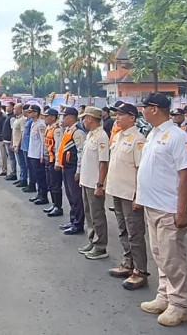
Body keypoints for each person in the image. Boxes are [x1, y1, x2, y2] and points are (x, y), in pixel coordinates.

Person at [136, 93, 187, 327]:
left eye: (144, 107)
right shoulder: (153, 133)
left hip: (169, 208)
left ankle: (179, 305)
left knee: (173, 258)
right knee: (160, 254)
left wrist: (182, 211)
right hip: (152, 204)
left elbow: (186, 174)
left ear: (154, 109)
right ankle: (165, 295)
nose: (142, 111)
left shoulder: (178, 136)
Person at [107, 102, 148, 290]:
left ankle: (140, 271)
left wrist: (138, 196)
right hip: (117, 190)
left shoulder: (138, 139)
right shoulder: (117, 137)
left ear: (132, 117)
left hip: (129, 193)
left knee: (135, 233)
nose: (117, 117)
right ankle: (127, 263)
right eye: (116, 114)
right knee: (123, 229)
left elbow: (141, 170)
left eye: (121, 114)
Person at [77, 106, 111, 260]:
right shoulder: (91, 135)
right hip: (86, 181)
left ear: (90, 118)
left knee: (97, 215)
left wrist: (100, 184)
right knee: (89, 214)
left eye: (84, 118)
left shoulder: (101, 137)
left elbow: (103, 163)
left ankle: (100, 246)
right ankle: (93, 240)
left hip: (94, 183)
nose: (83, 120)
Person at [57, 107, 87, 235]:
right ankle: (73, 219)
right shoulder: (69, 130)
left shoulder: (78, 132)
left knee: (76, 197)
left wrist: (79, 171)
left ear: (71, 117)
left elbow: (80, 152)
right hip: (66, 166)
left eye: (65, 116)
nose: (63, 119)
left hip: (73, 167)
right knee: (70, 195)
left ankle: (78, 224)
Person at [42, 108, 64, 217]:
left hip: (54, 160)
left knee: (55, 185)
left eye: (46, 116)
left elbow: (59, 147)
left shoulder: (57, 130)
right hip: (48, 160)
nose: (45, 118)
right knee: (50, 183)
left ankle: (58, 207)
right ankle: (54, 204)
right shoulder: (48, 128)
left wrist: (57, 163)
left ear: (52, 117)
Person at [27, 105, 49, 205]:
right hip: (32, 153)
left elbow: (43, 141)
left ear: (36, 113)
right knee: (36, 176)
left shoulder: (41, 124)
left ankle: (43, 196)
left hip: (38, 155)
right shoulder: (33, 123)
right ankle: (39, 193)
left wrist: (42, 155)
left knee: (41, 177)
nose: (29, 113)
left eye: (31, 112)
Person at [13, 104, 29, 188]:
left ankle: (24, 179)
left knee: (22, 164)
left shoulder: (23, 120)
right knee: (20, 163)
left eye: (15, 108)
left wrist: (18, 145)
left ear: (20, 109)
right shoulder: (16, 119)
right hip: (15, 143)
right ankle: (21, 178)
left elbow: (22, 133)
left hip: (19, 144)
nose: (14, 110)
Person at [2, 102, 18, 180]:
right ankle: (12, 171)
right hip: (6, 139)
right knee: (10, 157)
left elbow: (13, 131)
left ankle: (13, 173)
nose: (7, 108)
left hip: (9, 140)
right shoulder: (8, 116)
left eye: (9, 106)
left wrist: (12, 142)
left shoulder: (12, 117)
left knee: (12, 158)